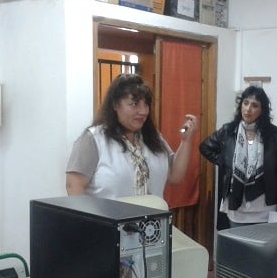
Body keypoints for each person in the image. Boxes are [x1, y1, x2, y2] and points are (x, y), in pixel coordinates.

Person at [66, 74, 198, 198]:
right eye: (134, 104)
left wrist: (186, 141)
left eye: (146, 105)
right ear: (115, 105)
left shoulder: (153, 137)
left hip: (153, 215)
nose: (143, 111)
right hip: (108, 215)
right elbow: (74, 186)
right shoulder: (94, 139)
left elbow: (175, 176)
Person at [199, 85, 277, 228]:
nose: (248, 109)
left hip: (265, 208)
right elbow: (205, 147)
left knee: (264, 243)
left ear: (262, 110)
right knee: (237, 242)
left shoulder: (275, 134)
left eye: (254, 105)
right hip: (237, 207)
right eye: (246, 103)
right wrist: (225, 161)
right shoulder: (229, 131)